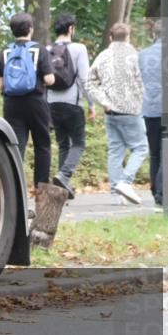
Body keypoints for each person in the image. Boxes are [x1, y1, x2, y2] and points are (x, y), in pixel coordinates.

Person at [85, 22, 148, 205]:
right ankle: (125, 182)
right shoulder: (135, 56)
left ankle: (116, 194)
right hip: (131, 110)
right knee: (141, 148)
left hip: (110, 111)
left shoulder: (103, 56)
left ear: (110, 37)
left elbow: (90, 83)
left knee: (115, 151)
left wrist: (104, 101)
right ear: (128, 37)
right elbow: (144, 83)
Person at [0, 12, 55, 191]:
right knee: (42, 145)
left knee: (16, 146)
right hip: (36, 102)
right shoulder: (39, 49)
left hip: (12, 104)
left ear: (12, 30)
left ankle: (14, 190)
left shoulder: (6, 51)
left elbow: (0, 85)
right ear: (30, 29)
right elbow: (49, 79)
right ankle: (41, 189)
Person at [46, 14, 95, 199]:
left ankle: (62, 188)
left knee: (63, 144)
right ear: (70, 29)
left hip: (52, 103)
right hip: (72, 104)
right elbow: (84, 79)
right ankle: (64, 175)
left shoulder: (47, 49)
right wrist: (91, 104)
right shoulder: (79, 49)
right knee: (79, 144)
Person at [139, 21, 163, 207]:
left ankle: (155, 191)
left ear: (154, 34)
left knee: (154, 153)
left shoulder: (142, 55)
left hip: (149, 108)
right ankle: (163, 191)